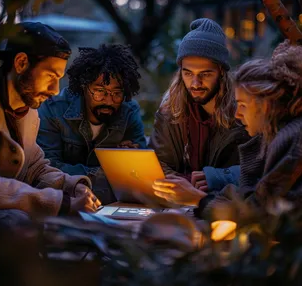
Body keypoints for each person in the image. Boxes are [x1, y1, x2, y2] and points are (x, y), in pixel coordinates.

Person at [0, 22, 101, 227]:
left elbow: (33, 168)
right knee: (17, 222)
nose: (54, 90)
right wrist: (59, 203)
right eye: (51, 76)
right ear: (21, 63)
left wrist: (72, 187)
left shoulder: (27, 110)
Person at [153, 41, 302, 222]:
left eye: (243, 105)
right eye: (188, 73)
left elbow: (259, 214)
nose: (238, 114)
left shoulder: (291, 141)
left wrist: (198, 199)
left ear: (266, 105)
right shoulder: (273, 136)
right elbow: (248, 192)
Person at [37, 44, 146, 204]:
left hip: (113, 205)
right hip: (64, 203)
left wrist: (132, 160)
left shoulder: (129, 112)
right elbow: (46, 170)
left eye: (117, 93)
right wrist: (109, 172)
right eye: (100, 91)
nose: (109, 100)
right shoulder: (53, 109)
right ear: (84, 86)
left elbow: (140, 174)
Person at [149, 18, 249, 192]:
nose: (195, 83)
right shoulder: (170, 110)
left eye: (205, 74)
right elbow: (157, 163)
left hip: (226, 207)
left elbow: (261, 167)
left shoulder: (243, 112)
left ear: (221, 73)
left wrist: (217, 177)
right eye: (188, 73)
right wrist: (181, 185)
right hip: (178, 204)